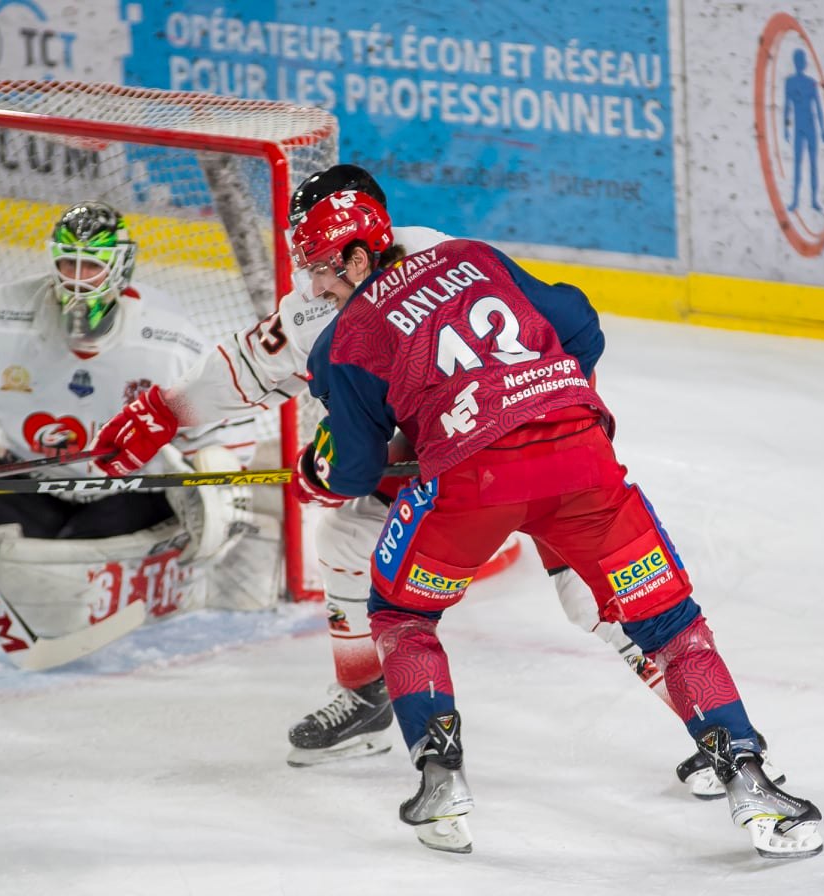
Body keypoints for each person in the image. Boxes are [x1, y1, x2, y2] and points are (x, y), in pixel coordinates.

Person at [90, 165, 779, 799]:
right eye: (308, 261)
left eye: (328, 262)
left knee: (590, 593)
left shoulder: (445, 255)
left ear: (370, 242)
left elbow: (563, 330)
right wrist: (164, 411)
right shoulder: (315, 303)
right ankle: (365, 697)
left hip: (510, 450)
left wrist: (545, 409)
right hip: (438, 468)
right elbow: (248, 367)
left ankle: (721, 740)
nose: (315, 278)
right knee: (345, 537)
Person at [275, 190, 824, 858]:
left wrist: (317, 468)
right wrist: (546, 399)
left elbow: (358, 471)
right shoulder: (470, 255)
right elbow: (582, 324)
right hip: (582, 459)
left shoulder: (347, 337)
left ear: (361, 255)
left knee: (401, 615)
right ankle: (750, 779)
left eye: (325, 267)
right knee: (673, 627)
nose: (317, 286)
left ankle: (441, 778)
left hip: (472, 485)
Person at [0, 201, 267, 635]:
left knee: (68, 583)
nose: (78, 281)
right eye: (68, 263)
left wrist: (213, 500)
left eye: (93, 267)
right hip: (31, 480)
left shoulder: (170, 341)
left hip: (131, 489)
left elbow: (221, 437)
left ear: (122, 267)